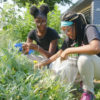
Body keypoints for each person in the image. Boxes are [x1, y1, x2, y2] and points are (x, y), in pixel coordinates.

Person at [35, 12, 100, 100]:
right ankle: (81, 82)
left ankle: (88, 92)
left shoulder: (89, 29)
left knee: (84, 58)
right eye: (64, 30)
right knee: (65, 60)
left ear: (76, 25)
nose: (66, 33)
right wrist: (43, 63)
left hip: (97, 66)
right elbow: (59, 54)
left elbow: (96, 48)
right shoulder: (70, 39)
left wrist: (68, 50)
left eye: (68, 29)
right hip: (90, 68)